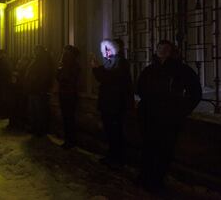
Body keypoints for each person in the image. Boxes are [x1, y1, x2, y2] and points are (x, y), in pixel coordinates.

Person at [136, 40, 202, 192]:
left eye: (166, 48)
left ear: (172, 51)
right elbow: (140, 88)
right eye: (159, 48)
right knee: (148, 148)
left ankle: (157, 181)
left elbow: (195, 93)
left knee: (164, 151)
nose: (162, 51)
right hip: (149, 116)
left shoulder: (181, 70)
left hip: (168, 119)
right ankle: (144, 177)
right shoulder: (150, 69)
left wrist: (181, 110)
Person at [91, 39, 133, 167]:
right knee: (110, 132)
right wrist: (96, 67)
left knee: (116, 133)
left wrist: (96, 68)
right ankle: (112, 156)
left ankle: (117, 159)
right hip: (108, 103)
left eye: (109, 48)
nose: (106, 51)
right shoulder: (111, 61)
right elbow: (102, 78)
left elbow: (109, 79)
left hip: (116, 104)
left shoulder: (121, 63)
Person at [24, 45, 54, 136]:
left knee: (39, 111)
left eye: (36, 50)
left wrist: (39, 84)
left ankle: (40, 130)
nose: (34, 52)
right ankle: (35, 128)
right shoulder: (36, 60)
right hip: (33, 89)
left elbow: (45, 76)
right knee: (34, 110)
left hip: (38, 89)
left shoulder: (43, 61)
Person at [57, 45, 81, 149]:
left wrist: (61, 71)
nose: (63, 54)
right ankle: (69, 140)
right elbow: (59, 77)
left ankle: (70, 141)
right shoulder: (66, 65)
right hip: (65, 93)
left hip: (69, 94)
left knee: (69, 118)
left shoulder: (72, 65)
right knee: (67, 118)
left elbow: (66, 79)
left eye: (65, 52)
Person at [8, 56, 30, 129]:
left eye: (21, 61)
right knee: (15, 107)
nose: (20, 62)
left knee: (19, 108)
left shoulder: (25, 69)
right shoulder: (19, 69)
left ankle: (18, 124)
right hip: (17, 90)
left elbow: (23, 80)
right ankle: (15, 123)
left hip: (20, 90)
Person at [0, 49, 12, 117]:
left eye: (0, 53)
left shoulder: (5, 61)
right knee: (1, 98)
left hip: (3, 82)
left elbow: (6, 71)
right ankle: (1, 112)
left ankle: (3, 113)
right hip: (1, 81)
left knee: (3, 98)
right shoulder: (2, 61)